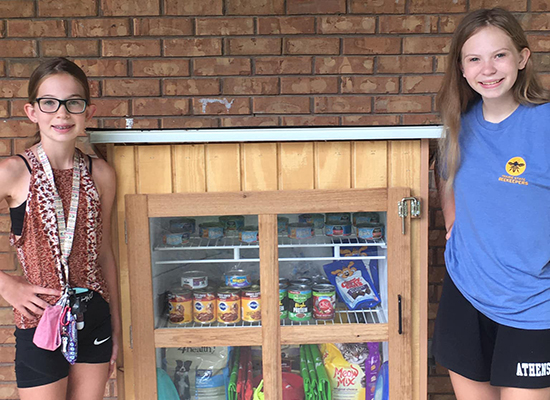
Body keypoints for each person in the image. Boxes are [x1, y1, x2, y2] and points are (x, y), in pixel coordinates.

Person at [433, 7, 550, 400]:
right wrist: (452, 221)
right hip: (466, 292)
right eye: (474, 58)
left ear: (522, 57)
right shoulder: (457, 124)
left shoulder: (546, 123)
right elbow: (446, 176)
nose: (488, 68)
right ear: (462, 69)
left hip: (532, 302)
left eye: (499, 55)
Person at [0, 57, 121, 400]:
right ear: (32, 111)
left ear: (88, 112)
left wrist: (114, 324)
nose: (62, 114)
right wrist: (7, 285)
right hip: (40, 319)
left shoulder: (101, 174)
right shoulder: (14, 172)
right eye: (49, 103)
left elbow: (105, 253)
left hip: (94, 317)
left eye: (73, 103)